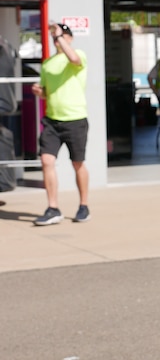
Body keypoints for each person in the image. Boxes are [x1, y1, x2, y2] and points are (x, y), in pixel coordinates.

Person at [32, 23, 90, 225]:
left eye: (63, 36)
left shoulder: (78, 55)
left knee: (77, 163)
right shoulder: (47, 63)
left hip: (75, 119)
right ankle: (53, 207)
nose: (57, 40)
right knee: (47, 161)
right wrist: (40, 92)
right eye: (56, 37)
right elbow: (47, 91)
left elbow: (73, 59)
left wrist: (59, 37)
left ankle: (84, 205)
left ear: (69, 39)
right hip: (51, 120)